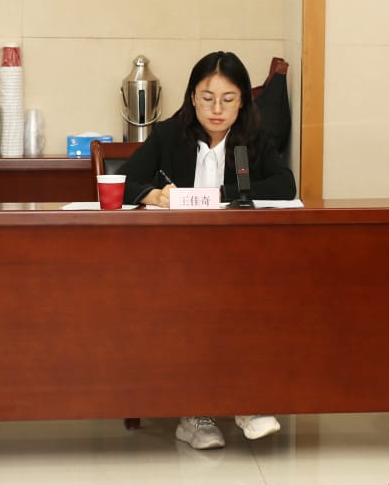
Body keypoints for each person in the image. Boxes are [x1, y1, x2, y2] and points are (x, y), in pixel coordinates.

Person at [117, 50, 295, 449]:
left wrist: (224, 193)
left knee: (255, 298)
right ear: (192, 97)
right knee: (198, 301)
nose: (217, 109)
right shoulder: (168, 134)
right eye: (208, 98)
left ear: (243, 102)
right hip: (174, 260)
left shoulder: (253, 137)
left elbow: (285, 185)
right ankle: (196, 414)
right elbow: (123, 181)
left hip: (236, 259)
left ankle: (246, 401)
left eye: (228, 99)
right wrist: (153, 195)